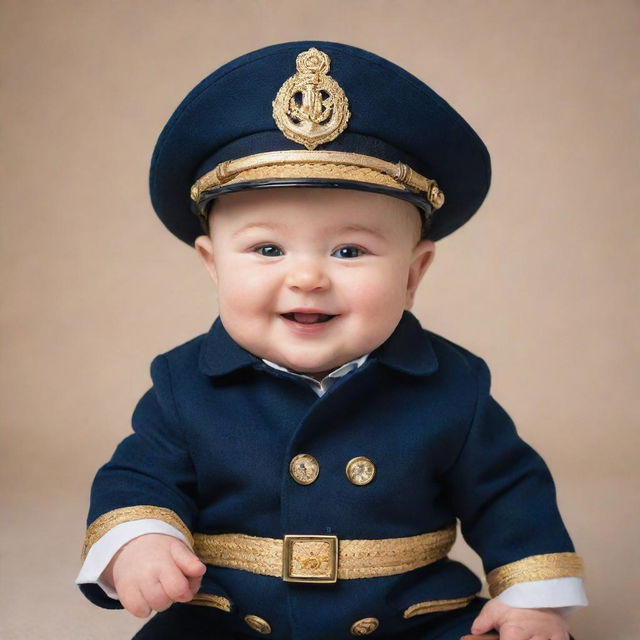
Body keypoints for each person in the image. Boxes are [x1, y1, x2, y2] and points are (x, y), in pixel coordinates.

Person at [75, 41, 587, 640]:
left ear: (413, 274)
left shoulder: (454, 385)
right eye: (268, 249)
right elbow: (138, 477)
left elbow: (509, 493)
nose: (308, 277)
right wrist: (140, 541)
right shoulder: (183, 383)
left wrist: (532, 598)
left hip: (406, 619)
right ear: (212, 265)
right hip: (230, 618)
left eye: (349, 250)